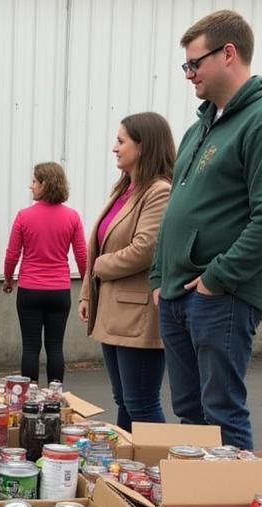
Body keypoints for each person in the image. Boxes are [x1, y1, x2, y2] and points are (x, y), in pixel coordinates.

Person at [150, 9, 262, 449]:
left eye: (194, 63)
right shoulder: (204, 125)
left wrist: (217, 280)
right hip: (180, 292)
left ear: (229, 54)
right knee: (191, 414)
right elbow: (178, 206)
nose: (188, 74)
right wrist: (161, 277)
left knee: (222, 413)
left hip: (221, 295)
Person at [79, 114, 175, 430]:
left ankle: (157, 469)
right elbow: (100, 243)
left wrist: (99, 267)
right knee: (124, 400)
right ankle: (126, 471)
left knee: (141, 403)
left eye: (121, 141)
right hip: (113, 312)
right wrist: (85, 294)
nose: (114, 148)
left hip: (137, 317)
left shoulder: (158, 191)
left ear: (143, 146)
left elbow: (145, 249)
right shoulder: (125, 190)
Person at [3, 162, 87, 385]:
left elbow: (12, 254)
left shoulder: (24, 216)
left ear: (45, 184)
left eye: (34, 182)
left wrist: (8, 278)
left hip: (30, 289)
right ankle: (54, 399)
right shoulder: (73, 217)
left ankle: (29, 401)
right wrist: (88, 286)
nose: (31, 186)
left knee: (30, 346)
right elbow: (82, 255)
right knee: (55, 346)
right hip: (59, 290)